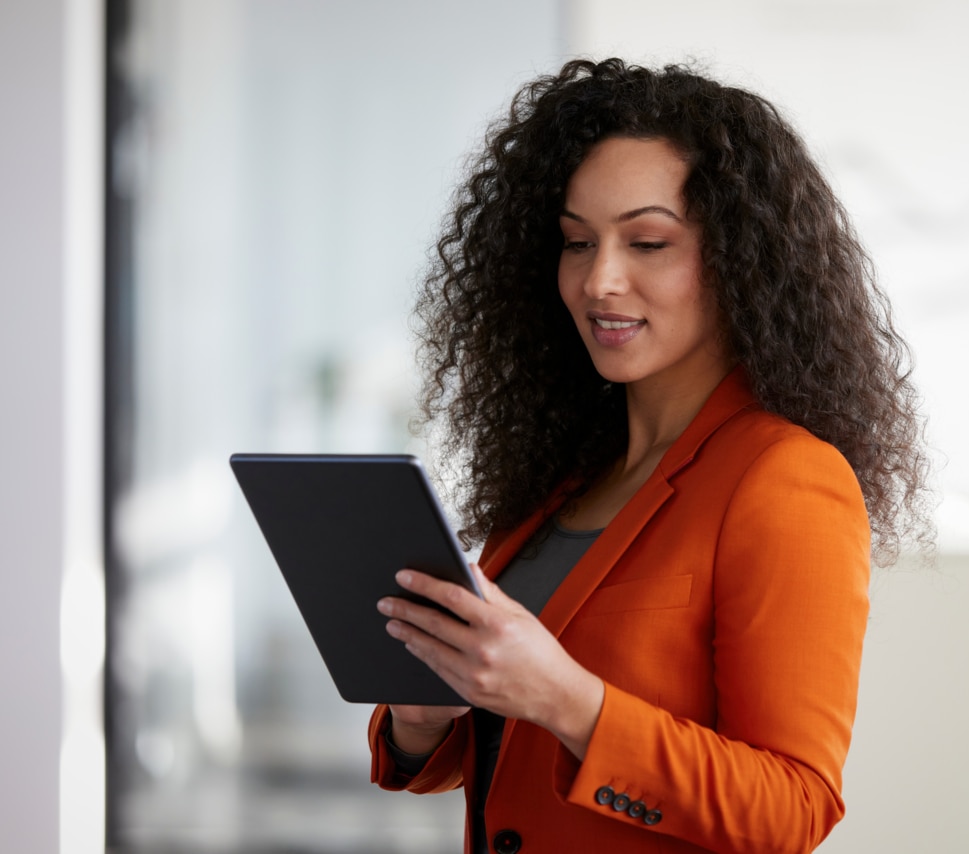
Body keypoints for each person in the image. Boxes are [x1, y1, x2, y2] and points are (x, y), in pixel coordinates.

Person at [368, 57, 931, 854]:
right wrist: (423, 719)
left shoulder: (786, 480)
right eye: (575, 242)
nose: (600, 280)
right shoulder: (567, 474)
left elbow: (792, 810)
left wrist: (572, 703)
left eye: (648, 241)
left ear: (742, 259)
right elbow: (506, 755)